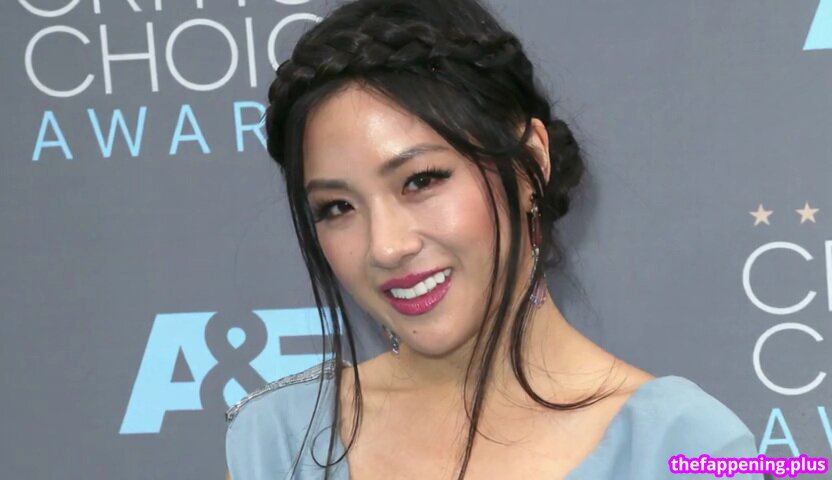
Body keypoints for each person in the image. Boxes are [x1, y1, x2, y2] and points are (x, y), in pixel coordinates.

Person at [224, 0, 762, 478]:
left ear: (531, 162)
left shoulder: (685, 449)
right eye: (337, 207)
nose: (385, 246)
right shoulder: (278, 442)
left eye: (421, 181)